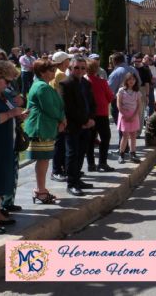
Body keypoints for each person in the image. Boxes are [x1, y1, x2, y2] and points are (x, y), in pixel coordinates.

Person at [0, 61, 26, 234]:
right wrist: (11, 113)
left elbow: (8, 114)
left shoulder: (1, 94)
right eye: (6, 80)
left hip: (4, 144)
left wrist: (19, 116)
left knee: (1, 180)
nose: (8, 84)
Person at [24, 59, 66, 204]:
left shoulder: (44, 85)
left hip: (46, 126)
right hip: (41, 127)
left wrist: (61, 118)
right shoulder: (42, 87)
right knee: (43, 159)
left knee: (45, 159)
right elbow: (50, 108)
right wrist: (62, 119)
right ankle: (40, 190)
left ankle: (41, 189)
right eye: (50, 70)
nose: (54, 72)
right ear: (42, 72)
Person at [60, 57, 96, 196]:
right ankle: (71, 183)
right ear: (70, 68)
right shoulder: (66, 83)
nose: (80, 70)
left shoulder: (86, 83)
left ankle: (77, 179)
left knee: (81, 153)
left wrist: (91, 118)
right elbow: (68, 107)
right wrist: (84, 120)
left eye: (82, 68)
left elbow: (92, 103)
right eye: (76, 67)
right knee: (72, 154)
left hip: (87, 125)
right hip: (74, 125)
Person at [86, 59, 115, 172]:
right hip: (101, 113)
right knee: (105, 138)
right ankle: (102, 163)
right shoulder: (101, 82)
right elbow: (110, 97)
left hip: (88, 114)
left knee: (90, 139)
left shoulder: (83, 81)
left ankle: (91, 164)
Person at [49, 51, 71, 182]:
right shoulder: (61, 75)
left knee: (60, 142)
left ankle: (61, 169)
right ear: (64, 62)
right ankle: (57, 170)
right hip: (61, 111)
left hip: (57, 110)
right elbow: (64, 95)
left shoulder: (54, 73)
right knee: (60, 143)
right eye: (68, 60)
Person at [117, 72, 142, 164]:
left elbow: (139, 105)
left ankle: (133, 153)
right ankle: (121, 154)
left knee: (133, 135)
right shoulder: (121, 91)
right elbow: (119, 104)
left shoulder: (137, 92)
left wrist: (134, 115)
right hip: (124, 115)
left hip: (134, 115)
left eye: (133, 79)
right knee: (125, 135)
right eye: (129, 79)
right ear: (126, 80)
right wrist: (124, 114)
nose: (131, 81)